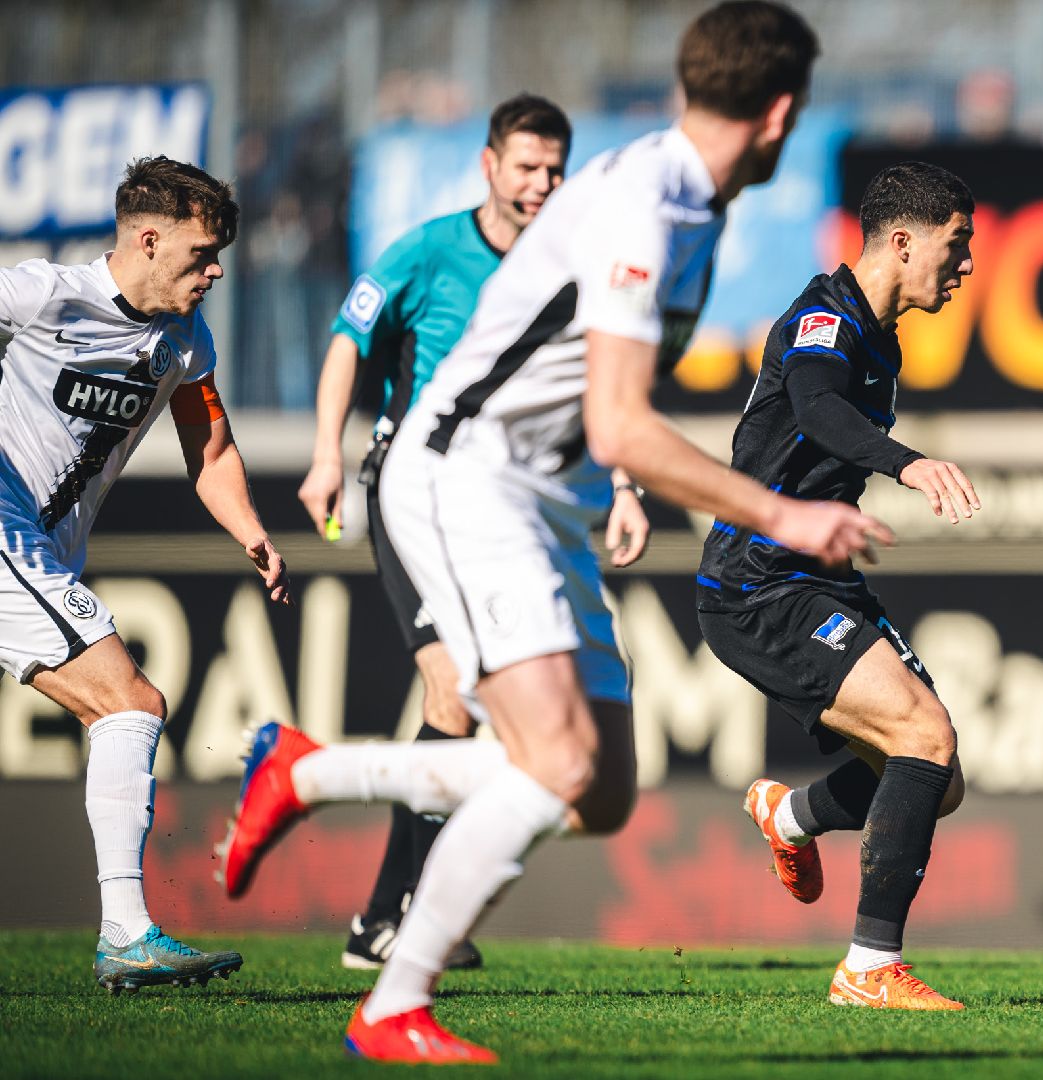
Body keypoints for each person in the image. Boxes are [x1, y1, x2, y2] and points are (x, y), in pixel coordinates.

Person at [215, 2, 887, 1063]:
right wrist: (781, 511)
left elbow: (596, 401)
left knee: (600, 790)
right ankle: (393, 1003)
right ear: (783, 113)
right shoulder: (646, 209)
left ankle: (303, 775)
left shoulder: (693, 205)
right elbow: (622, 415)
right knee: (559, 761)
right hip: (464, 477)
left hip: (548, 497)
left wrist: (615, 483)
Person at [297, 93, 606, 973]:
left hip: (506, 500)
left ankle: (397, 911)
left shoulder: (570, 264)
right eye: (525, 167)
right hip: (415, 486)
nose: (541, 183)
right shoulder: (428, 251)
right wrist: (327, 454)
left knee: (499, 721)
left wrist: (616, 484)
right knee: (450, 696)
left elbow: (594, 387)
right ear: (489, 165)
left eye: (554, 168)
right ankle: (384, 919)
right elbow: (348, 343)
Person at [0, 157, 288, 992]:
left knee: (124, 706)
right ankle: (126, 932)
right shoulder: (39, 296)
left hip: (45, 552)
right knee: (129, 701)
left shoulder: (185, 341)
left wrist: (250, 529)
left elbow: (213, 449)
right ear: (150, 238)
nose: (216, 270)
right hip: (7, 537)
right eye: (202, 253)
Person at [712, 161, 978, 1010]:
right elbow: (822, 412)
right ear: (903, 241)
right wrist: (908, 462)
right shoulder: (823, 321)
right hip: (758, 582)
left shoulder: (883, 337)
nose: (967, 266)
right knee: (924, 738)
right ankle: (869, 968)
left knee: (940, 773)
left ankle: (790, 817)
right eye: (957, 244)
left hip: (816, 577)